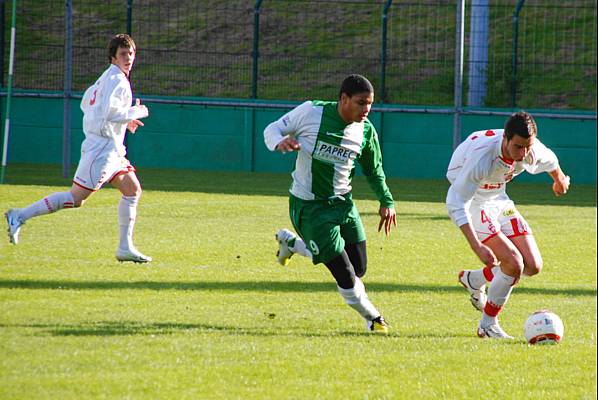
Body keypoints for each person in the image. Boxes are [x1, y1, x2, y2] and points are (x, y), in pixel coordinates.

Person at [263, 74, 397, 333]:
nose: (366, 110)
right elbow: (273, 128)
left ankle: (291, 244)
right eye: (361, 103)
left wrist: (386, 201)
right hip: (310, 208)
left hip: (344, 206)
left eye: (370, 104)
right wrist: (279, 141)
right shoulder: (311, 112)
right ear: (344, 98)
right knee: (345, 273)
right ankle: (373, 318)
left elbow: (374, 169)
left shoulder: (366, 130)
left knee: (358, 269)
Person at [4, 34, 152, 263]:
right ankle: (19, 215)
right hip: (102, 151)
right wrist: (136, 112)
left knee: (132, 190)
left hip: (110, 148)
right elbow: (108, 113)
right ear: (113, 57)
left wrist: (123, 122)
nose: (128, 58)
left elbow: (87, 103)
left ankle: (125, 247)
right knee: (76, 199)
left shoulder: (107, 77)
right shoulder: (117, 79)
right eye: (123, 54)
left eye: (131, 53)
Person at [446, 111, 570, 339]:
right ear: (506, 138)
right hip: (474, 201)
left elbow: (550, 160)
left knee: (532, 266)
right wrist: (477, 246)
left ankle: (475, 279)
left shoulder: (530, 149)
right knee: (513, 263)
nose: (523, 154)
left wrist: (559, 179)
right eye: (518, 147)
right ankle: (487, 324)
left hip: (498, 198)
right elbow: (455, 201)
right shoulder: (482, 158)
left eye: (527, 147)